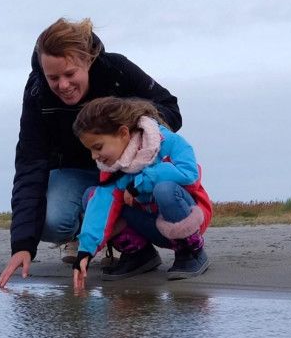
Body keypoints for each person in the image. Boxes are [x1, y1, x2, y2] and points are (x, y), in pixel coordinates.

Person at [0, 18, 182, 289]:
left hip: (126, 169)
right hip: (75, 172)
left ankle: (138, 247)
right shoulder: (37, 91)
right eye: (54, 78)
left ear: (88, 61)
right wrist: (23, 245)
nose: (62, 85)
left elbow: (171, 110)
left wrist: (132, 131)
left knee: (143, 190)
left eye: (70, 74)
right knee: (52, 221)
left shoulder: (116, 71)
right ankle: (107, 242)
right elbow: (30, 163)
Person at [66, 97, 212, 289]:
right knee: (94, 196)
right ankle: (139, 254)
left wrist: (140, 183)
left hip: (185, 218)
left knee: (164, 189)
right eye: (90, 151)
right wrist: (85, 252)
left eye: (98, 147)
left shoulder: (170, 143)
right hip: (149, 226)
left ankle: (191, 251)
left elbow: (189, 175)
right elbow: (101, 206)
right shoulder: (112, 167)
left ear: (123, 133)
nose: (94, 157)